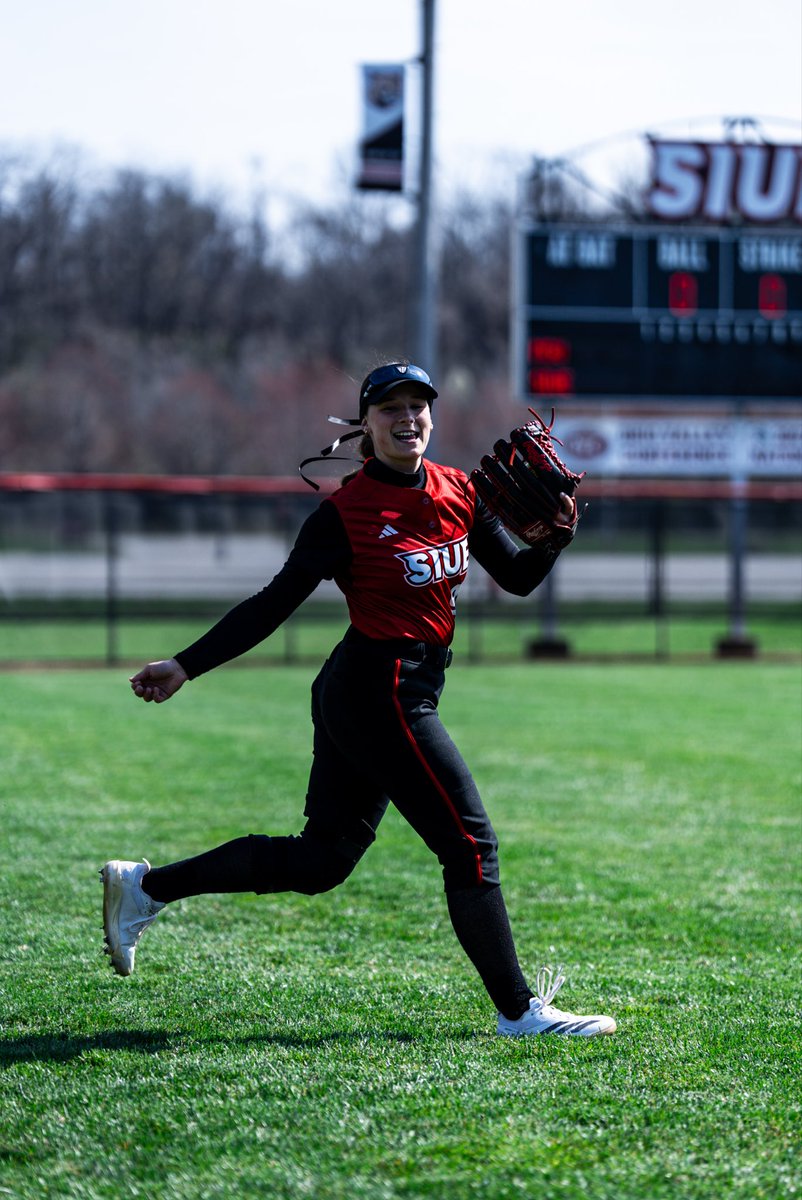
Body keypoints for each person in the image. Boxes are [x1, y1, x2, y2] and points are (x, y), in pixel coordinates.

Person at [101, 361, 616, 1038]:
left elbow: (517, 577)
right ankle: (520, 1011)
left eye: (417, 405)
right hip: (380, 690)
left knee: (322, 862)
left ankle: (144, 889)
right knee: (470, 846)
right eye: (390, 408)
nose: (408, 418)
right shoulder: (344, 514)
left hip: (389, 688)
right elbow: (271, 605)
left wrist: (557, 540)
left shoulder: (459, 489)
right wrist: (184, 665)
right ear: (366, 425)